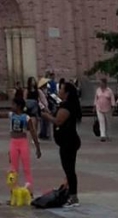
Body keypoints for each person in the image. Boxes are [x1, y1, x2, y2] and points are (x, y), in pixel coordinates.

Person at [40, 80, 82, 209]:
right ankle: (69, 192)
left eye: (61, 89)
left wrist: (46, 116)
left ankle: (73, 197)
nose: (59, 91)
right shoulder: (65, 104)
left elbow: (58, 121)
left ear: (67, 92)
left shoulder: (68, 106)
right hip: (66, 141)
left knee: (69, 170)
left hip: (69, 142)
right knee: (68, 169)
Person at [8, 96, 41, 192]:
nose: (11, 106)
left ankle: (29, 190)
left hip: (23, 143)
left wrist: (37, 147)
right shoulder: (11, 115)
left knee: (26, 168)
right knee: (13, 168)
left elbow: (33, 132)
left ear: (18, 106)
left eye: (13, 104)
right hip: (13, 142)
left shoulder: (26, 118)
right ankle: (13, 190)